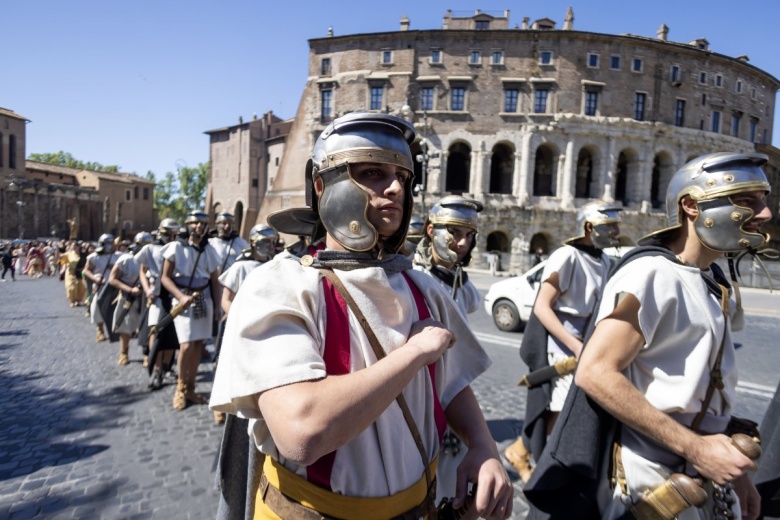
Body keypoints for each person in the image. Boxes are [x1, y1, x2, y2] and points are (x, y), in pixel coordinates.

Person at [210, 112, 513, 520]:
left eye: (402, 177)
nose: (394, 189)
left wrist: (482, 445)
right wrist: (414, 353)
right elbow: (302, 433)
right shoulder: (281, 286)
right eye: (372, 173)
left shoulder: (423, 287)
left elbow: (449, 380)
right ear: (322, 185)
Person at [524, 152, 772, 520]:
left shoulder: (711, 280)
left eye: (763, 200)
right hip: (653, 482)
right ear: (691, 205)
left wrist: (733, 473)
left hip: (703, 472)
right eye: (747, 200)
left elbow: (704, 389)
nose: (765, 213)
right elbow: (595, 373)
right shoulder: (652, 274)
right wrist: (697, 449)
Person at [504, 200, 622, 483]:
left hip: (588, 346)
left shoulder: (603, 260)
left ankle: (525, 452)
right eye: (611, 226)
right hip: (562, 349)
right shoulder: (566, 256)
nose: (617, 231)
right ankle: (528, 455)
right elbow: (543, 307)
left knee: (570, 409)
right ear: (590, 227)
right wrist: (575, 345)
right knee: (556, 410)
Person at [212, 223, 279, 425]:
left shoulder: (275, 265)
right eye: (264, 242)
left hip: (264, 326)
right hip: (238, 324)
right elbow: (226, 299)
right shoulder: (241, 266)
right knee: (228, 366)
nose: (268, 246)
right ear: (252, 243)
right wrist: (240, 318)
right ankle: (220, 405)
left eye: (271, 242)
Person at [161, 210, 221, 410]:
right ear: (188, 225)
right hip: (183, 301)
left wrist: (219, 306)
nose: (199, 227)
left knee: (197, 345)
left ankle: (191, 387)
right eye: (195, 223)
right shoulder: (175, 248)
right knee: (186, 345)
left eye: (203, 224)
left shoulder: (210, 251)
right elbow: (165, 277)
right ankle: (180, 387)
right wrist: (180, 296)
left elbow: (215, 281)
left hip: (203, 300)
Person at [413, 195, 483, 317]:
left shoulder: (461, 281)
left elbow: (473, 304)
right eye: (454, 233)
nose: (463, 243)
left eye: (469, 235)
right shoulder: (415, 276)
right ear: (431, 231)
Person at [136, 217, 180, 388]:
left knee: (172, 332)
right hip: (156, 295)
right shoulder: (150, 249)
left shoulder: (178, 248)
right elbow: (142, 271)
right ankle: (155, 368)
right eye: (169, 233)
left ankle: (166, 366)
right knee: (155, 330)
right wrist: (147, 289)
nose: (171, 237)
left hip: (174, 292)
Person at [108, 232, 150, 365]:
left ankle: (146, 353)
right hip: (128, 297)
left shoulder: (153, 260)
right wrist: (130, 290)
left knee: (147, 326)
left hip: (147, 297)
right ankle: (124, 353)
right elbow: (112, 280)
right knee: (125, 327)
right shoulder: (125, 259)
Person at [83, 234, 121, 342]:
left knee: (115, 308)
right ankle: (100, 330)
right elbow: (86, 270)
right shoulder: (93, 257)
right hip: (101, 286)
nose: (113, 246)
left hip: (115, 286)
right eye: (111, 243)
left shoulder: (118, 256)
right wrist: (95, 279)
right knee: (97, 308)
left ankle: (116, 329)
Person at [61, 242, 87, 306]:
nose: (74, 247)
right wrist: (57, 249)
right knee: (71, 287)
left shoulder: (83, 255)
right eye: (72, 246)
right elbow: (61, 258)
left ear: (79, 247)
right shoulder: (68, 254)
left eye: (75, 246)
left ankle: (78, 300)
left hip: (80, 272)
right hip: (71, 273)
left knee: (81, 287)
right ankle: (72, 301)